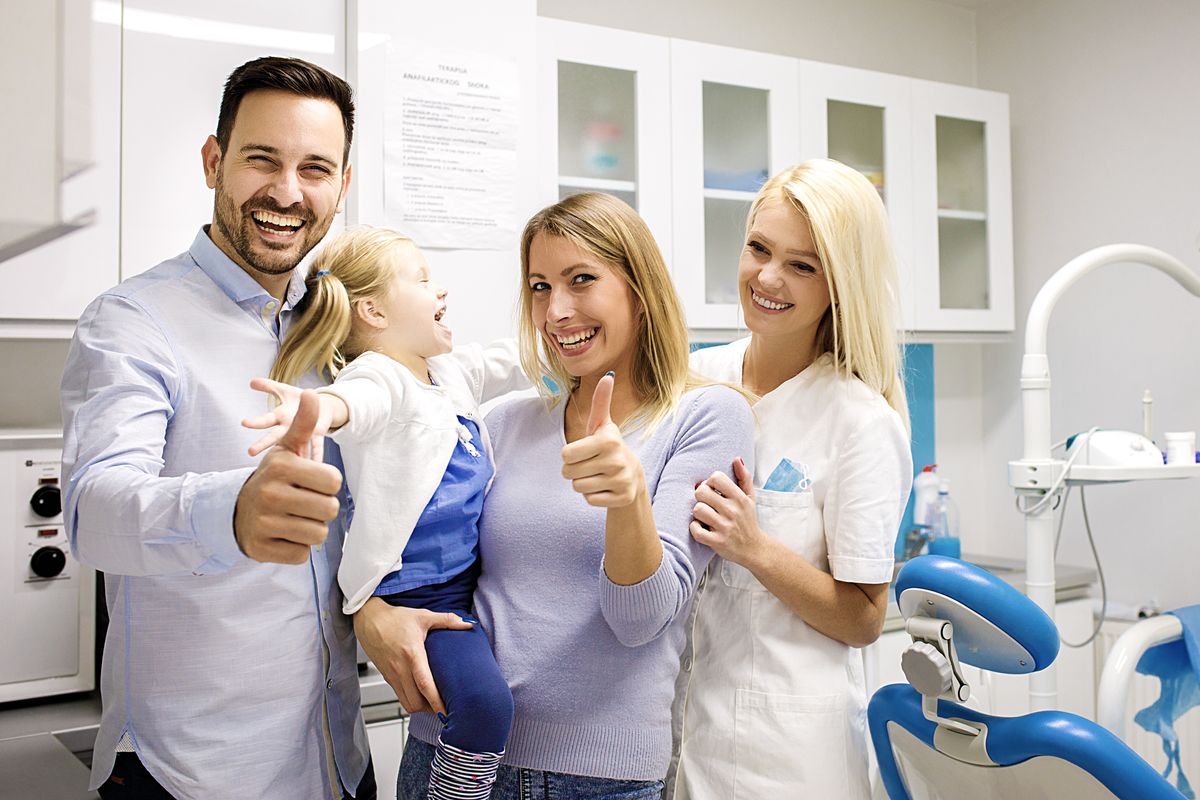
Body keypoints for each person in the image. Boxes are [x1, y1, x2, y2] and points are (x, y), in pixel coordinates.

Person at [354, 192, 755, 799]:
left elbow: (641, 620)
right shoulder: (500, 422)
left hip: (592, 781)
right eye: (540, 287)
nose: (557, 310)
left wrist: (628, 502)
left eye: (581, 280)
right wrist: (368, 613)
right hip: (445, 751)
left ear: (639, 290)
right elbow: (400, 534)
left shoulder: (704, 417)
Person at [60, 56, 379, 799]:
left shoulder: (340, 322)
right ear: (215, 162)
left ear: (342, 184)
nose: (287, 193)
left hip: (340, 760)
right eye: (261, 160)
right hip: (194, 772)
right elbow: (94, 510)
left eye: (316, 169)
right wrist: (231, 511)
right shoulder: (133, 323)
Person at [242, 225, 527, 797]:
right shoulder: (380, 375)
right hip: (414, 594)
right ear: (372, 310)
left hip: (461, 584)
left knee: (488, 703)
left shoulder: (446, 373)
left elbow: (514, 358)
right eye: (422, 279)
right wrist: (321, 408)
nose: (440, 290)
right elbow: (361, 402)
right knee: (485, 708)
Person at [669, 159, 914, 799]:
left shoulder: (859, 421)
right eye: (759, 249)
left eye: (802, 266)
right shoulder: (695, 381)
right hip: (681, 735)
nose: (768, 277)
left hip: (787, 756)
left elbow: (863, 618)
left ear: (839, 283)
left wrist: (756, 549)